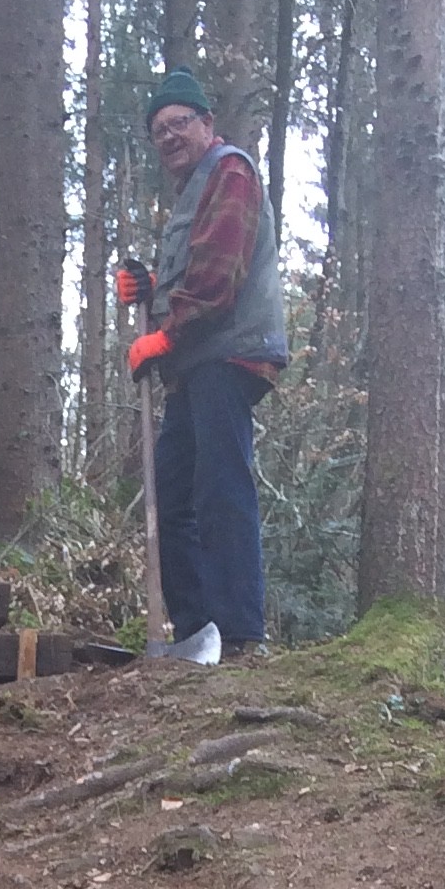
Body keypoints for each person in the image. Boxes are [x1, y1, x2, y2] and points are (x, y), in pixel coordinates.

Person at [120, 70, 288, 663]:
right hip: (195, 363)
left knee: (220, 487)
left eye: (179, 123)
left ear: (207, 124)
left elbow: (218, 277)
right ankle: (198, 636)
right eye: (159, 130)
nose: (169, 136)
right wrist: (147, 291)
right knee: (172, 493)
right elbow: (191, 274)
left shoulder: (230, 171)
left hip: (228, 354)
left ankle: (241, 634)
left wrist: (162, 338)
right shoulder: (192, 190)